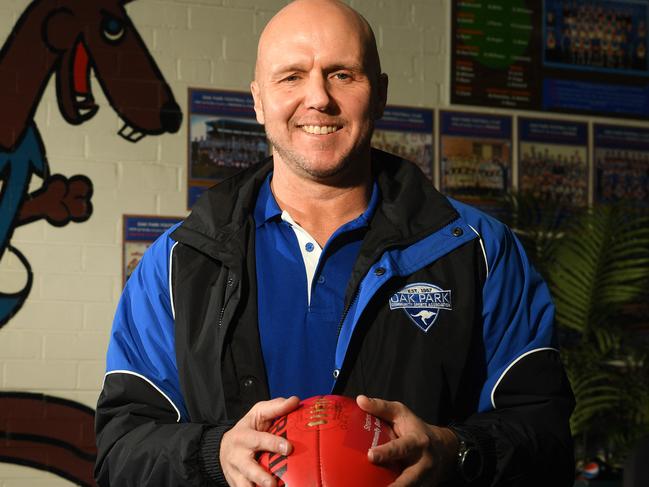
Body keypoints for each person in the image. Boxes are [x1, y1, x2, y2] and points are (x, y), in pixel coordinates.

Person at [94, 1, 575, 486]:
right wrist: (211, 454)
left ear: (380, 94)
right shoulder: (178, 262)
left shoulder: (476, 250)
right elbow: (121, 448)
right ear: (258, 100)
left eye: (343, 74)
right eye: (291, 77)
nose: (318, 98)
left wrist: (457, 450)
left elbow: (546, 436)